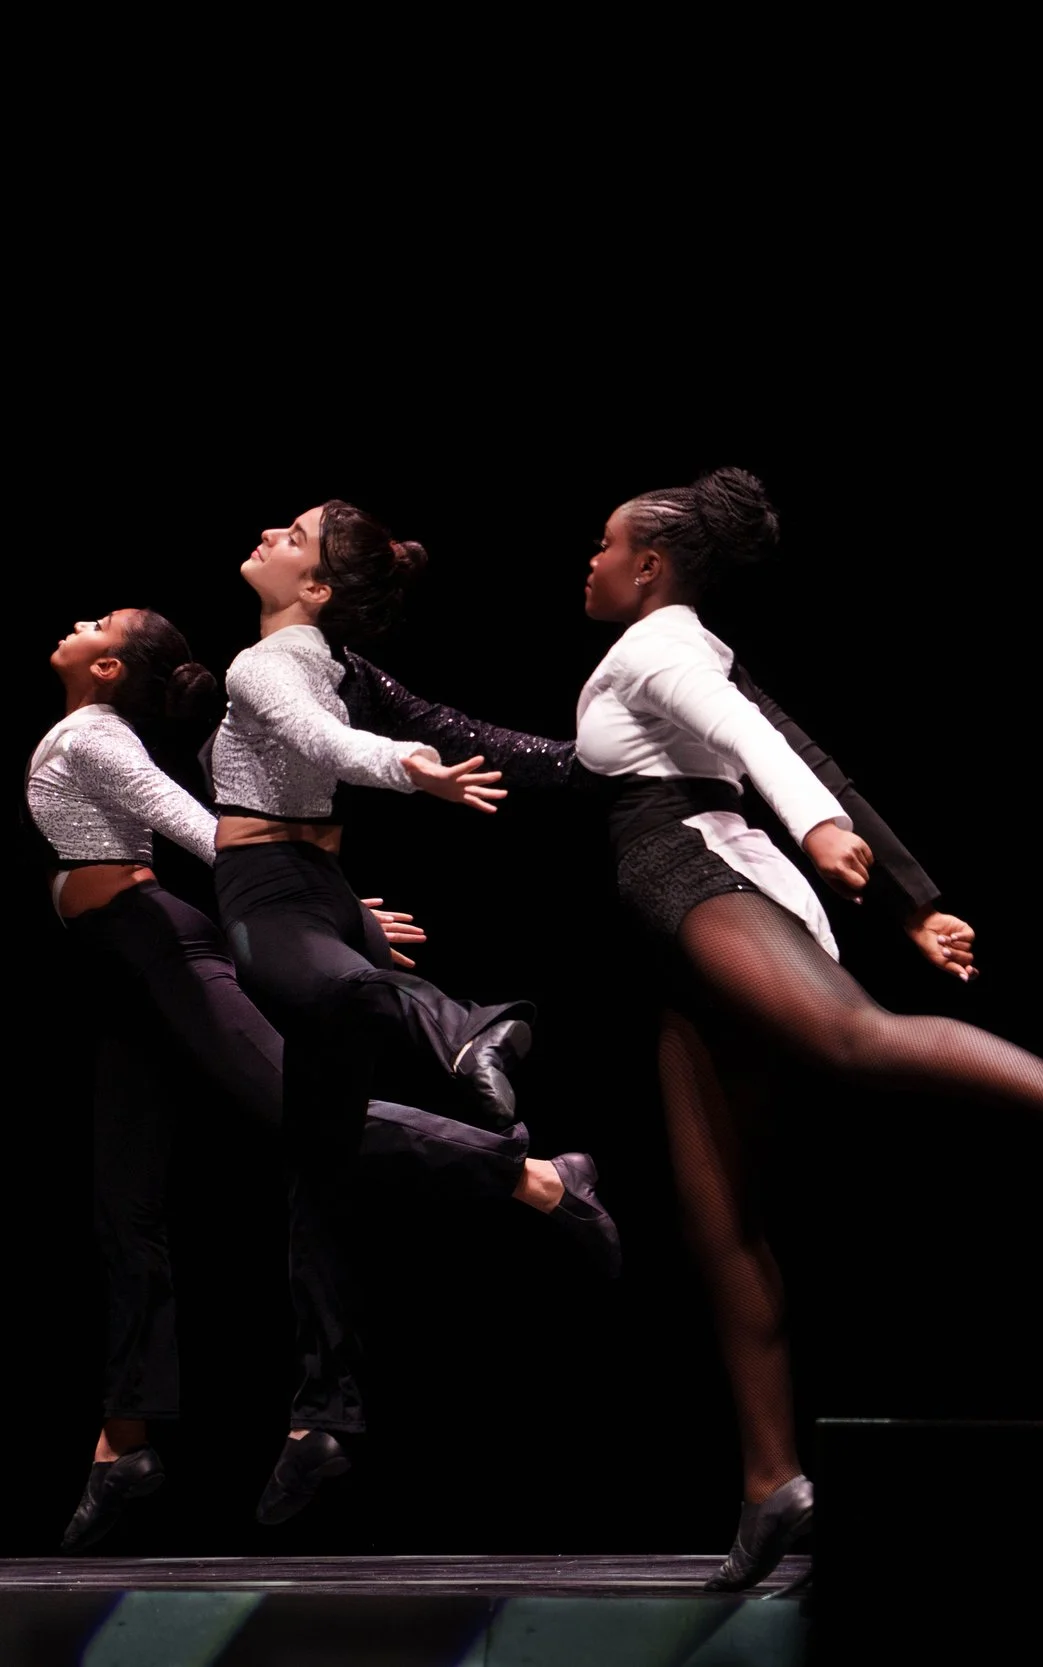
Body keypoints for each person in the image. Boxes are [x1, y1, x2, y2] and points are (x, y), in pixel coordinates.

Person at [574, 467, 1043, 1590]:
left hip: (698, 876)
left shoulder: (658, 645)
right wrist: (910, 903)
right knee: (718, 1217)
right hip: (685, 916)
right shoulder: (685, 646)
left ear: (651, 566)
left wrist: (819, 831)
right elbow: (805, 747)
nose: (593, 560)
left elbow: (765, 751)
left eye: (606, 545)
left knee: (851, 1037)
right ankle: (771, 1482)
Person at [33, 608, 615, 1548]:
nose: (76, 622)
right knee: (123, 1207)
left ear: (106, 669)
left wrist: (336, 908)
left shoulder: (93, 737)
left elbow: (205, 829)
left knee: (302, 1115)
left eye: (96, 623)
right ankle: (124, 1440)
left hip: (158, 951)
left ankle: (536, 1177)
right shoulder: (86, 731)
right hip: (121, 976)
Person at [212, 501, 575, 1521]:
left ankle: (464, 1028)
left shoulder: (271, 666)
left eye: (293, 536)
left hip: (277, 894)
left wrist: (405, 769)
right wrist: (563, 761)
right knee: (317, 1167)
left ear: (317, 588)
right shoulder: (329, 665)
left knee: (338, 1007)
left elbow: (328, 742)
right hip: (319, 891)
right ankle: (319, 1413)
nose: (270, 534)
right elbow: (401, 736)